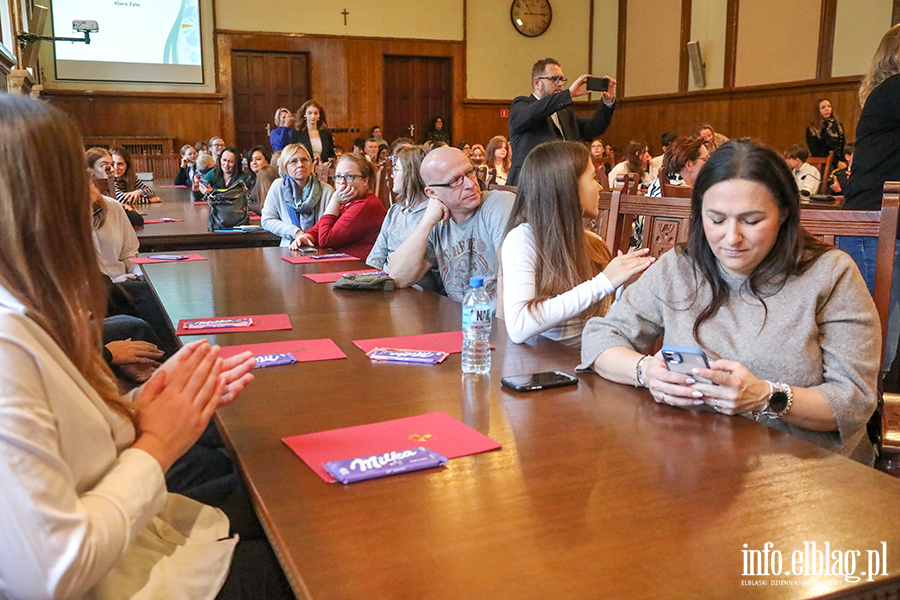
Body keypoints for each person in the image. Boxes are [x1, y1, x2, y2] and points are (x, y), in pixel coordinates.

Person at [0, 94, 296, 600]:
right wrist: (158, 441)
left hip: (141, 533)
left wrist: (153, 401)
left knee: (281, 491)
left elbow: (72, 442)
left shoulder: (32, 309)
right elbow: (51, 572)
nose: (95, 198)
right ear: (36, 204)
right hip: (123, 577)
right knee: (295, 556)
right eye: (80, 182)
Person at [580, 140, 879, 464]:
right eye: (717, 220)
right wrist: (647, 370)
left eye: (751, 221)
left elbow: (854, 401)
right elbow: (600, 337)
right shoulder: (681, 267)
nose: (732, 238)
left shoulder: (831, 274)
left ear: (783, 214)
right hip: (696, 461)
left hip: (803, 472)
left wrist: (766, 396)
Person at [499, 141, 654, 347]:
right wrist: (604, 283)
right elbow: (519, 326)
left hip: (593, 359)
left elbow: (602, 324)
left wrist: (623, 289)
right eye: (592, 178)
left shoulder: (592, 241)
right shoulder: (523, 238)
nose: (599, 186)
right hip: (547, 365)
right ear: (570, 189)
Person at [841, 23, 900, 368]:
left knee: (880, 343)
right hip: (874, 227)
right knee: (871, 344)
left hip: (880, 226)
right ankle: (864, 418)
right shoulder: (894, 89)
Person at [388, 147, 515, 305]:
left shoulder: (499, 205)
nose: (470, 184)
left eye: (470, 173)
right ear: (432, 193)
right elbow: (398, 277)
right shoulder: (438, 222)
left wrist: (500, 328)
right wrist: (426, 221)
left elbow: (514, 274)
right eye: (455, 181)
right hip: (459, 321)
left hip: (492, 322)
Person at [507, 57, 617, 186]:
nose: (559, 84)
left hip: (562, 184)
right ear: (537, 83)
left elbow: (593, 129)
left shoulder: (564, 112)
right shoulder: (521, 104)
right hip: (529, 184)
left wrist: (607, 102)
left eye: (561, 79)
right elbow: (532, 114)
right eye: (554, 79)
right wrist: (568, 94)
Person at [293, 153, 387, 259]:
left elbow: (325, 239)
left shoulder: (366, 205)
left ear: (365, 181)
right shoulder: (350, 201)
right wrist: (307, 236)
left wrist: (334, 201)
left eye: (350, 177)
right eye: (338, 176)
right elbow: (319, 228)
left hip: (356, 269)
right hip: (340, 264)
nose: (342, 182)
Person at [367, 145, 431, 273]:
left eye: (396, 170)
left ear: (412, 173)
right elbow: (375, 258)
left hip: (412, 287)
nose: (392, 176)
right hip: (383, 281)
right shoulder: (395, 211)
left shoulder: (433, 215)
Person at [261, 143, 335, 247]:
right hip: (289, 247)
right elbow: (267, 220)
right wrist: (296, 232)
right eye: (294, 161)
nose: (300, 165)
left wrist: (309, 236)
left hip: (320, 247)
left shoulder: (327, 190)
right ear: (285, 166)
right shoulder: (278, 186)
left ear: (311, 164)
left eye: (304, 160)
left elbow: (330, 225)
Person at [91, 180, 140, 283]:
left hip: (122, 282)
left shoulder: (112, 206)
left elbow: (128, 253)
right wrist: (113, 281)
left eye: (91, 184)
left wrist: (138, 274)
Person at [86, 147, 144, 227]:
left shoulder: (112, 184)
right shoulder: (89, 195)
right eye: (105, 167)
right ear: (90, 169)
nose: (113, 169)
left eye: (112, 164)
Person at [806, 98, 845, 162]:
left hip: (840, 161)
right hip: (823, 162)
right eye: (823, 107)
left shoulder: (838, 125)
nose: (827, 109)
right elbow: (815, 151)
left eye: (829, 106)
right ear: (818, 110)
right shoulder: (812, 129)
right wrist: (835, 162)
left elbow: (842, 146)